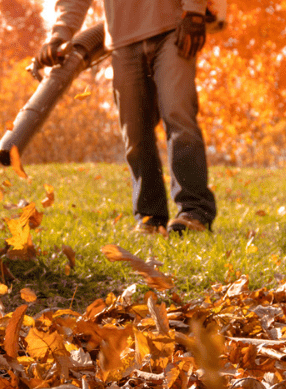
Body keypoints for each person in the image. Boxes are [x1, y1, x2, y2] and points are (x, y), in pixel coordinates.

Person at [37, 1, 217, 235]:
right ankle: (150, 218)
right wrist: (59, 34)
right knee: (134, 131)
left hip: (173, 27)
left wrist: (194, 11)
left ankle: (194, 212)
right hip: (122, 39)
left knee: (178, 114)